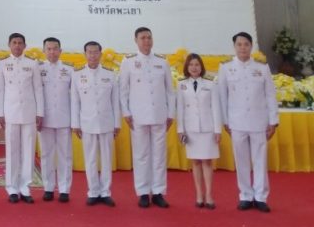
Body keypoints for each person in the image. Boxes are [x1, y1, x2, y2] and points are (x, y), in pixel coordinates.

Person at [217, 32, 278, 213]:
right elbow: (222, 96)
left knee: (260, 160)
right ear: (234, 47)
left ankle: (260, 197)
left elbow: (270, 95)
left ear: (251, 47)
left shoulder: (262, 68)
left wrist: (273, 121)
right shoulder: (226, 67)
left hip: (259, 121)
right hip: (236, 121)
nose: (242, 47)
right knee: (241, 161)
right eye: (239, 44)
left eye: (246, 44)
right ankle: (245, 195)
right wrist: (225, 121)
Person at [119, 26, 175, 208]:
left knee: (159, 155)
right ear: (136, 40)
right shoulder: (128, 62)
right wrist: (126, 112)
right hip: (138, 116)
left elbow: (170, 91)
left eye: (149, 37)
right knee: (141, 155)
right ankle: (143, 192)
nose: (146, 41)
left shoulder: (162, 61)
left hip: (159, 115)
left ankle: (158, 192)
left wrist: (171, 114)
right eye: (142, 38)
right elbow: (123, 90)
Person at [71, 41, 120, 207]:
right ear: (85, 54)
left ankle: (105, 192)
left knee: (106, 159)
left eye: (95, 52)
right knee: (90, 159)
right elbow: (75, 101)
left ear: (101, 54)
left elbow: (115, 101)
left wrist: (117, 124)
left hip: (107, 122)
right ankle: (93, 191)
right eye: (89, 52)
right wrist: (75, 124)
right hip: (87, 123)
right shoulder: (77, 74)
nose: (92, 55)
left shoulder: (110, 74)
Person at [0, 32, 43, 203]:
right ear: (9, 45)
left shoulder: (32, 63)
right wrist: (0, 113)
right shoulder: (1, 63)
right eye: (14, 42)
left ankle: (25, 187)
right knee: (12, 151)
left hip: (29, 112)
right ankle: (12, 188)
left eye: (20, 43)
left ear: (25, 45)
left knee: (28, 150)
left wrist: (40, 112)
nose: (17, 45)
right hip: (10, 113)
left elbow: (38, 89)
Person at [176, 53, 222, 209]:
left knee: (207, 161)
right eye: (191, 65)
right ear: (187, 67)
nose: (194, 68)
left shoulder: (210, 84)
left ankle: (209, 195)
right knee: (195, 162)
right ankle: (199, 195)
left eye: (197, 64)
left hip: (207, 128)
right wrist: (180, 130)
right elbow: (180, 109)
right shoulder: (181, 84)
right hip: (191, 129)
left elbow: (216, 108)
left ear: (201, 67)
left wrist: (217, 130)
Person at [38, 36, 73, 203]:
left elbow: (75, 96)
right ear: (44, 51)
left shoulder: (69, 69)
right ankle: (48, 187)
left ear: (60, 50)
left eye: (55, 49)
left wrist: (75, 120)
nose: (52, 52)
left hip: (64, 118)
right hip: (44, 119)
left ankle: (65, 189)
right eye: (49, 49)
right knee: (46, 155)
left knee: (65, 155)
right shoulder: (38, 69)